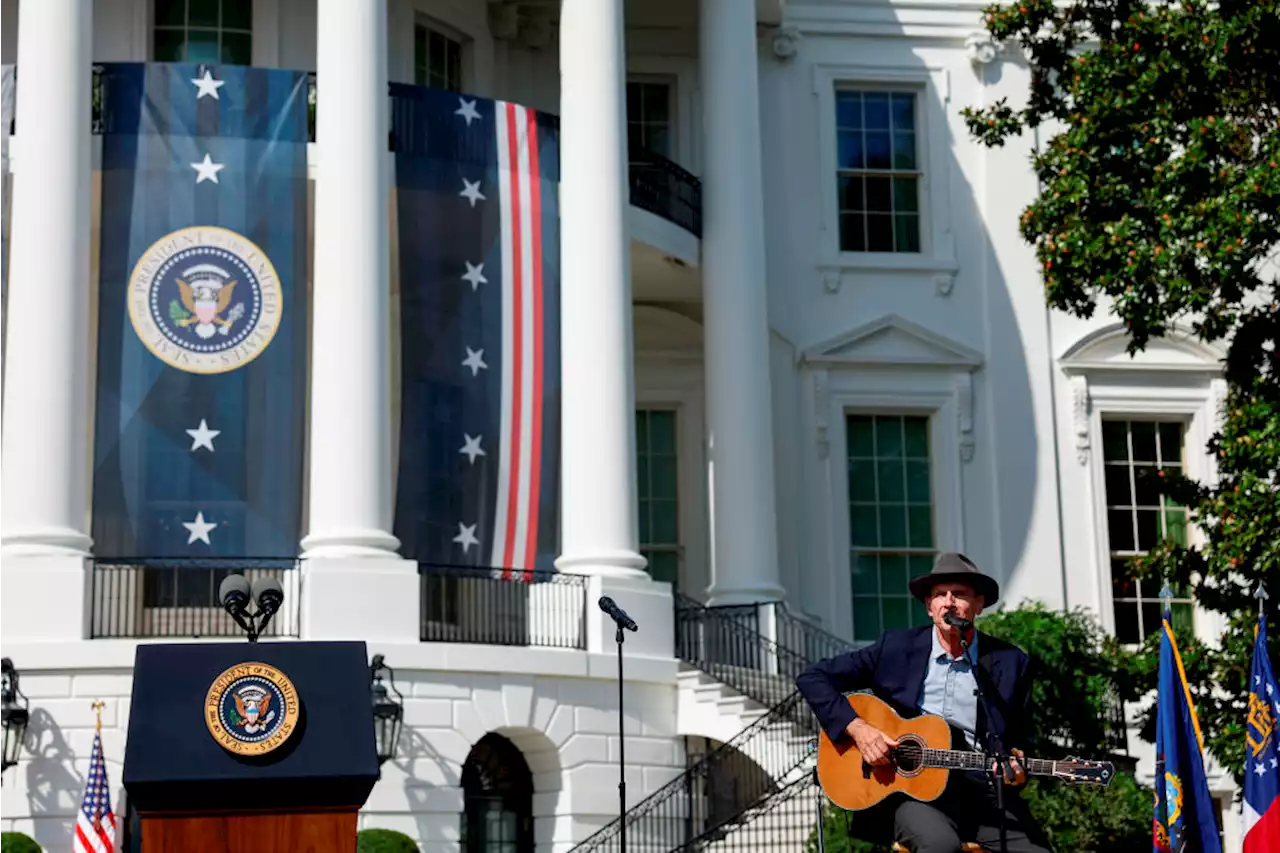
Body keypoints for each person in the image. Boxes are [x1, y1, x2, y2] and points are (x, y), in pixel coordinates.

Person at [795, 552, 1053, 853]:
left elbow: (1022, 742)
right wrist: (859, 729)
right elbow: (812, 678)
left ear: (979, 605)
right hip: (912, 796)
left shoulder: (1011, 663)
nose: (949, 602)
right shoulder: (895, 649)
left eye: (959, 594)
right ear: (930, 607)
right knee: (940, 846)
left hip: (982, 795)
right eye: (939, 595)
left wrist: (1016, 772)